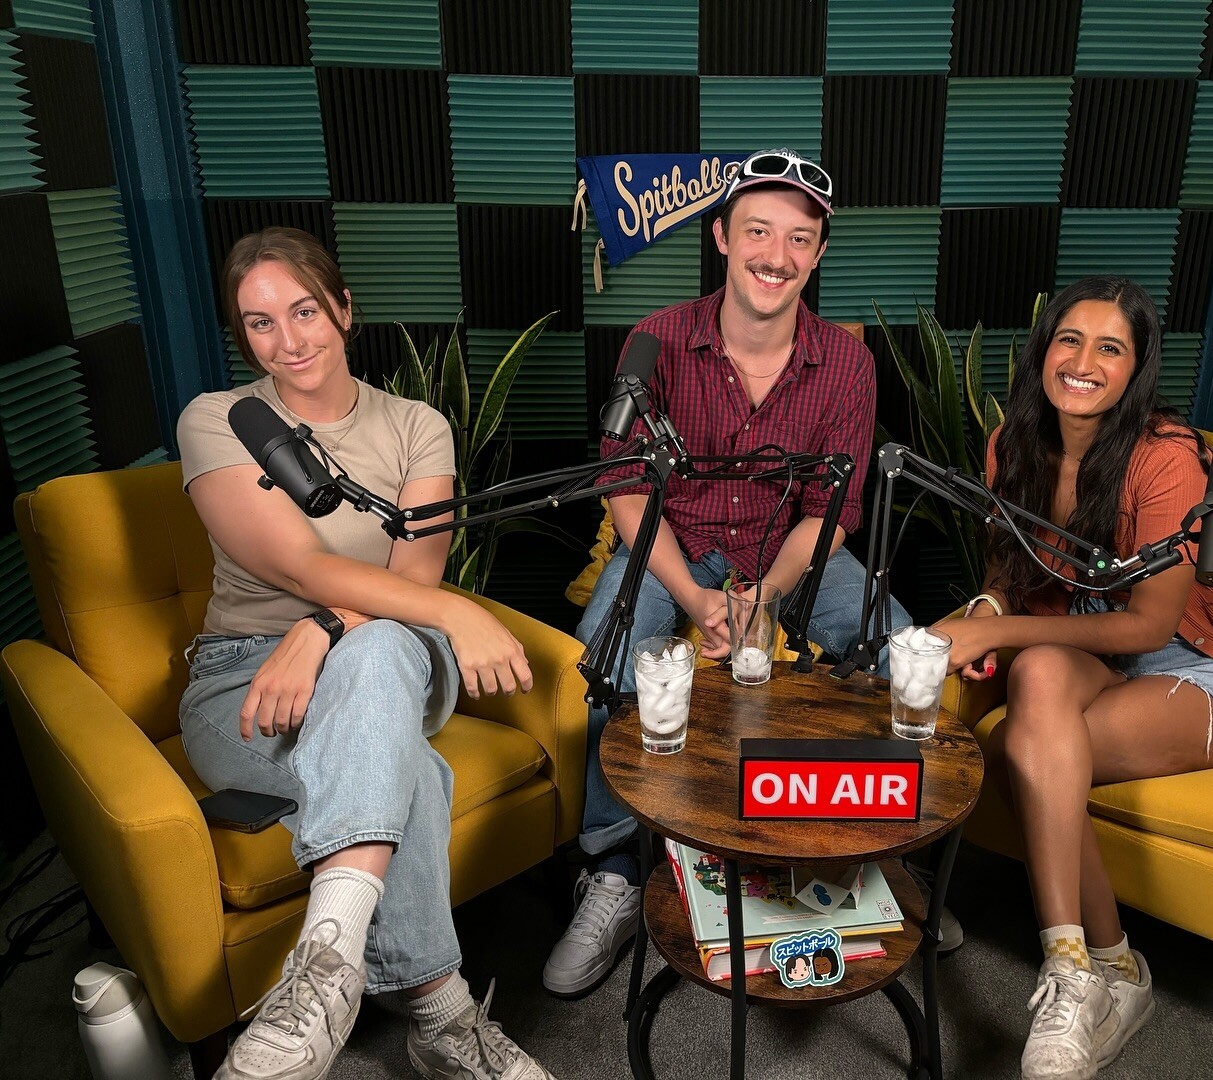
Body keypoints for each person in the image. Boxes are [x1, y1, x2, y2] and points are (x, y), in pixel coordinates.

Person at [543, 148, 923, 997]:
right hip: (671, 545)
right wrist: (692, 594)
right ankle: (612, 870)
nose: (776, 255)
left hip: (790, 550)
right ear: (720, 236)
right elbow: (625, 487)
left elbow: (832, 510)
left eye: (799, 238)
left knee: (900, 651)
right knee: (607, 657)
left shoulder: (848, 363)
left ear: (817, 254)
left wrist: (769, 599)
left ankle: (882, 858)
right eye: (758, 231)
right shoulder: (656, 340)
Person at [176, 227, 553, 1080]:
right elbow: (298, 565)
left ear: (344, 310)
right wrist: (452, 610)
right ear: (243, 336)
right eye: (261, 323)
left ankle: (319, 978)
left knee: (379, 644)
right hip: (246, 677)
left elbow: (411, 577)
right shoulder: (220, 420)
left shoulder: (418, 425)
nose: (288, 339)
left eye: (305, 311)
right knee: (404, 770)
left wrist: (322, 630)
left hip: (394, 656)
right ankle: (440, 1016)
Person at [931, 276, 1213, 1079]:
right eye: (1070, 339)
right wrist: (986, 606)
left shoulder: (1167, 459)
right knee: (1039, 680)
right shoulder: (1011, 444)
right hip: (1096, 656)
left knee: (1027, 749)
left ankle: (1095, 972)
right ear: (1043, 350)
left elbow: (1150, 626)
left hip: (1201, 664)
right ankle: (1096, 966)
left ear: (1136, 368)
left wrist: (996, 630)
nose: (1084, 362)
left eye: (1110, 348)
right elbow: (1009, 568)